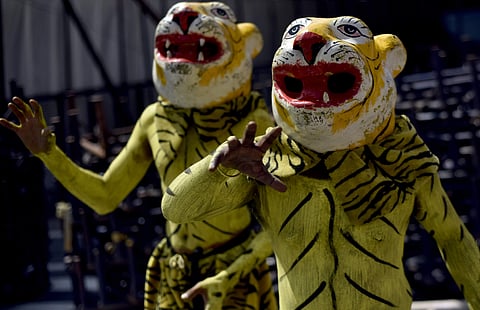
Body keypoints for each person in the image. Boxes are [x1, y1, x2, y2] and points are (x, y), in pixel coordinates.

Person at [161, 16, 480, 309]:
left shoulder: (400, 159)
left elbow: (452, 238)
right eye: (293, 33)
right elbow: (176, 209)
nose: (308, 41)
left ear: (387, 60)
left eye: (349, 31)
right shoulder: (268, 165)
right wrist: (217, 169)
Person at [0, 2, 277, 309]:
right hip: (174, 272)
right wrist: (48, 154)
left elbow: (279, 223)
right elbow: (106, 196)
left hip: (235, 277)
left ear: (248, 42)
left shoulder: (254, 122)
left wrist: (229, 275)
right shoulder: (154, 118)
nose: (183, 19)